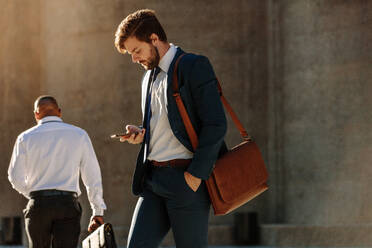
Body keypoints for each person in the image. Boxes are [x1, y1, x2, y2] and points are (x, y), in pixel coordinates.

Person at [114, 9, 227, 248]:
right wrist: (141, 134)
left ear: (154, 39)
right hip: (153, 180)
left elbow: (216, 123)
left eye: (137, 50)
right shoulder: (148, 78)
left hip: (186, 179)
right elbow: (164, 123)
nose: (134, 59)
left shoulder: (193, 66)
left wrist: (196, 175)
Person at [8, 95, 107, 248]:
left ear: (36, 114)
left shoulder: (25, 138)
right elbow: (92, 175)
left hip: (38, 205)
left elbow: (15, 177)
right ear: (59, 112)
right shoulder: (79, 134)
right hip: (67, 205)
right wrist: (97, 210)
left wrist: (34, 194)